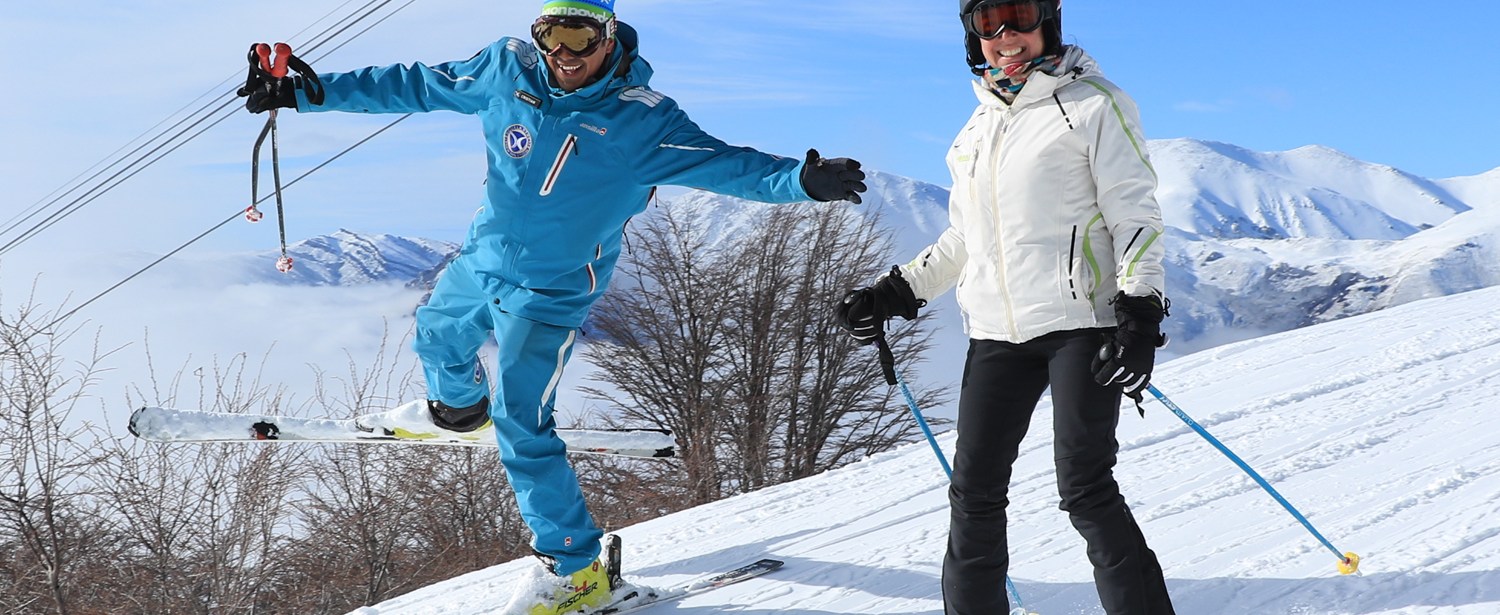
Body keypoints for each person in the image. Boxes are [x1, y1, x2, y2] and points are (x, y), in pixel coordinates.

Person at [240, 1, 866, 613]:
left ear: (609, 34)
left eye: (579, 36)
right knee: (435, 334)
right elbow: (415, 85)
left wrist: (802, 181)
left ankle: (576, 570)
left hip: (553, 289)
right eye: (549, 34)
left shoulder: (641, 122)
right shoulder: (506, 70)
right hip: (483, 258)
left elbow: (728, 166)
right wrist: (303, 93)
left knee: (522, 420)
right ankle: (460, 412)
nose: (563, 54)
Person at [833, 1, 1174, 613]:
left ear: (1048, 23)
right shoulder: (977, 129)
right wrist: (895, 291)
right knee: (974, 493)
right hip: (995, 332)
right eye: (987, 24)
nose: (1004, 36)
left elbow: (1136, 215)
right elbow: (965, 242)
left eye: (1017, 16)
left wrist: (1141, 309)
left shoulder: (1096, 104)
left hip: (1081, 326)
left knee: (1085, 488)